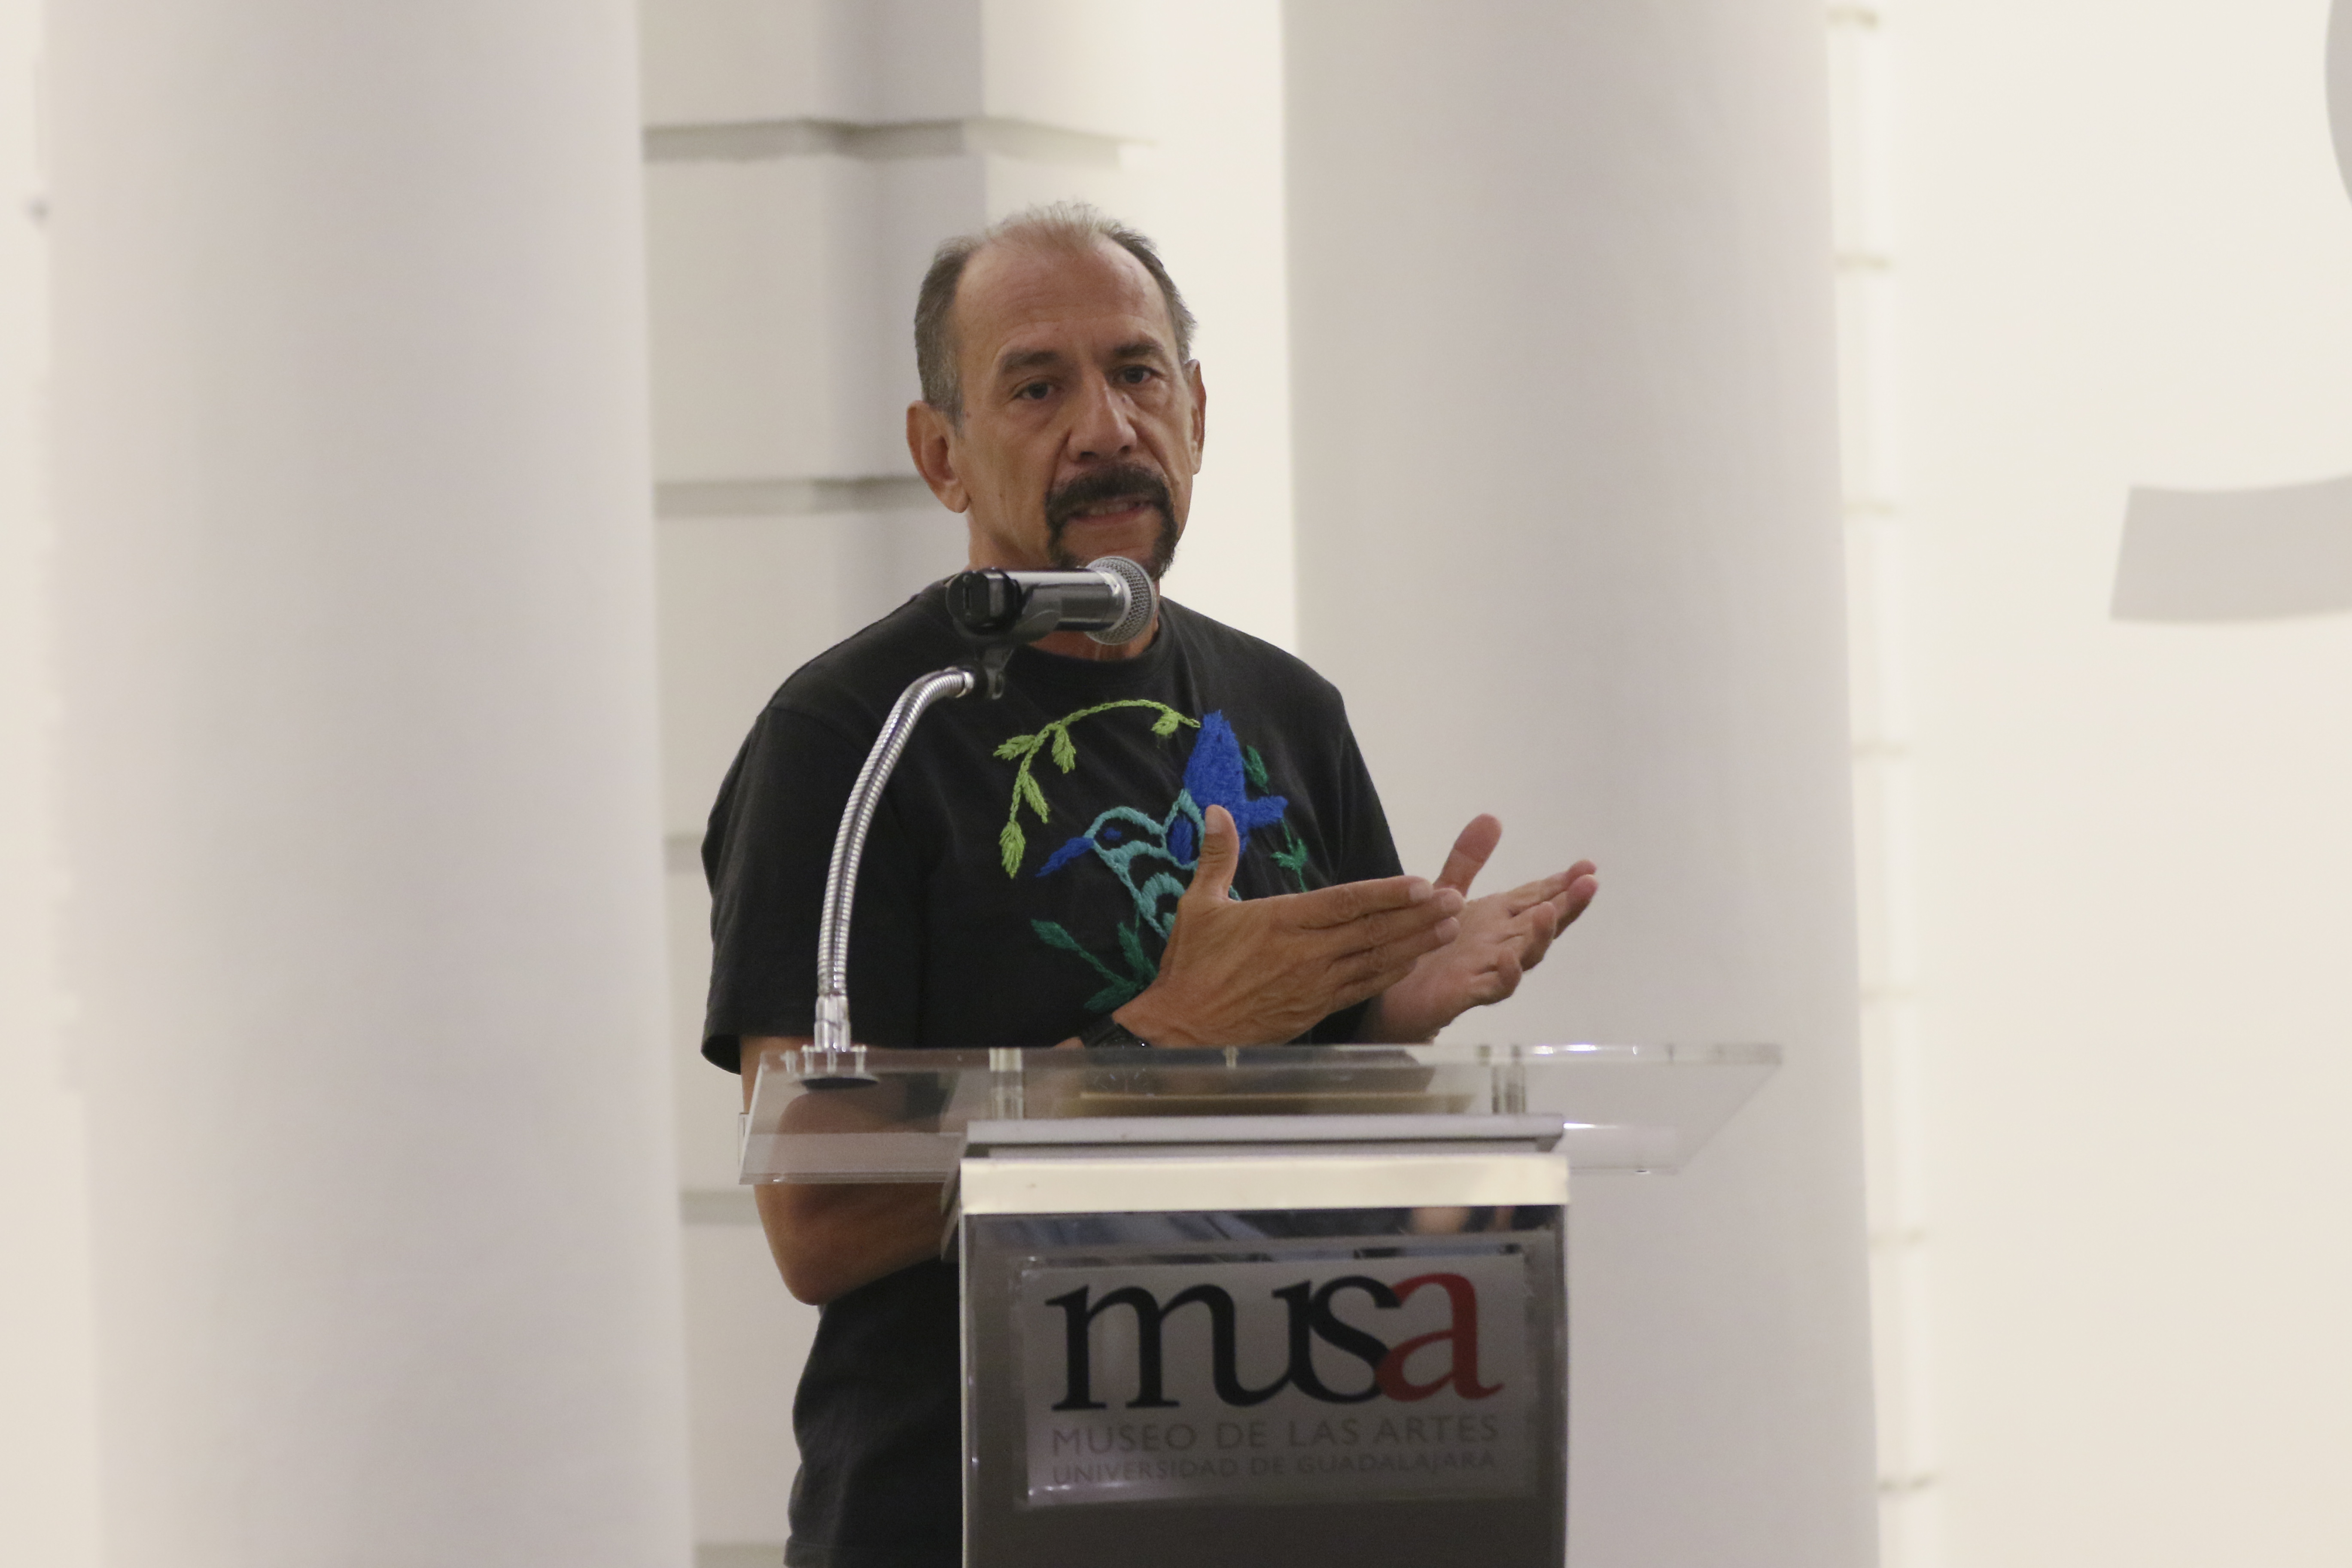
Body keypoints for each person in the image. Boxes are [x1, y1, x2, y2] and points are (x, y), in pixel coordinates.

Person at [700, 202, 1599, 1568]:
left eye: (1138, 373)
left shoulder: (1288, 709)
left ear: (1198, 411)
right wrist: (1158, 1038)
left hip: (1273, 1494)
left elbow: (1323, 1145)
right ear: (941, 454)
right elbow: (817, 1221)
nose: (1106, 427)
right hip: (955, 1524)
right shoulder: (861, 732)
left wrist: (1380, 1021)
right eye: (1037, 387)